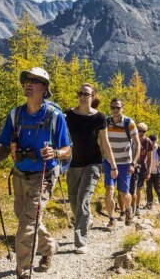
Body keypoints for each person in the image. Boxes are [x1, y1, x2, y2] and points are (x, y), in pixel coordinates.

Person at [0, 67, 71, 279]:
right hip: (19, 174)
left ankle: (23, 271)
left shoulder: (54, 116)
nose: (28, 84)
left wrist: (55, 152)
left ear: (44, 88)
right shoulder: (16, 115)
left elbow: (68, 150)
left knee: (26, 225)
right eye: (26, 80)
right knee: (25, 218)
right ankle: (50, 246)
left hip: (43, 176)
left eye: (34, 80)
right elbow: (6, 145)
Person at [65, 83, 118, 254]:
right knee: (73, 200)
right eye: (80, 93)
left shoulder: (99, 118)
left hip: (93, 163)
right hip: (73, 163)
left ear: (93, 96)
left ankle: (81, 241)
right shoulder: (68, 115)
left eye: (86, 94)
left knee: (83, 200)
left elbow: (105, 142)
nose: (82, 96)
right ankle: (86, 220)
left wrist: (113, 164)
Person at [103, 98, 140, 227]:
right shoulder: (106, 122)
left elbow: (137, 144)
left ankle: (128, 209)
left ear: (122, 108)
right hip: (109, 162)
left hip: (125, 163)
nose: (115, 110)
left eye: (117, 108)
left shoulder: (129, 123)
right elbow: (102, 140)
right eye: (112, 107)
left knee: (124, 193)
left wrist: (133, 164)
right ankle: (111, 218)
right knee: (109, 190)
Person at [133, 122, 153, 215]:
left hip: (142, 166)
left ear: (146, 132)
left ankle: (136, 207)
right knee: (130, 187)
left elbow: (149, 158)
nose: (141, 133)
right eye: (139, 131)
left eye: (143, 131)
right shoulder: (132, 139)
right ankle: (130, 206)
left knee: (139, 188)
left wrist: (149, 172)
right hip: (131, 165)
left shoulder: (148, 142)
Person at [146, 134, 160, 208]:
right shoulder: (147, 148)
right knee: (148, 188)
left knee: (157, 187)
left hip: (158, 172)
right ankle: (149, 204)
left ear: (156, 141)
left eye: (153, 142)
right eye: (151, 142)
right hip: (149, 171)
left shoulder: (159, 149)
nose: (152, 143)